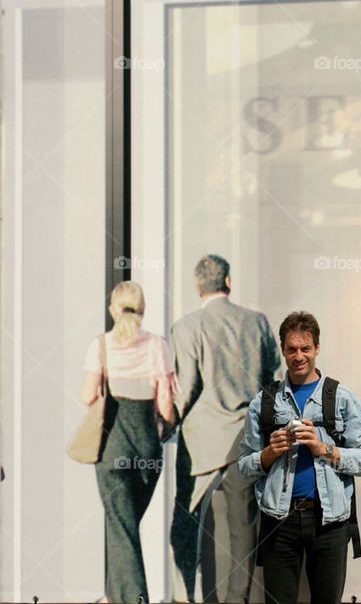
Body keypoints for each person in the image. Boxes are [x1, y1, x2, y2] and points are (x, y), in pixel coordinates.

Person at [238, 311, 361, 604]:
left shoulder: (342, 398)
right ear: (283, 351)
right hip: (278, 520)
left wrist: (324, 449)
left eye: (305, 348)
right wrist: (268, 453)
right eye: (291, 349)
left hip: (330, 522)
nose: (298, 356)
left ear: (316, 348)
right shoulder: (263, 402)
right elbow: (244, 467)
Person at [169, 254, 281, 602]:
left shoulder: (187, 328)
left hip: (201, 440)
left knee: (185, 522)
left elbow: (185, 389)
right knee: (242, 525)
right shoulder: (257, 322)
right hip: (246, 436)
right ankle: (237, 599)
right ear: (228, 282)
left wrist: (163, 424)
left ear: (197, 286)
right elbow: (275, 380)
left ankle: (183, 595)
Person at [80, 280, 175, 604]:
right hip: (148, 449)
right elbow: (165, 406)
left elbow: (87, 395)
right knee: (124, 525)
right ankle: (112, 596)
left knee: (122, 527)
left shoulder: (101, 346)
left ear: (112, 310)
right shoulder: (158, 345)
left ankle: (134, 600)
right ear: (143, 309)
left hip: (112, 448)